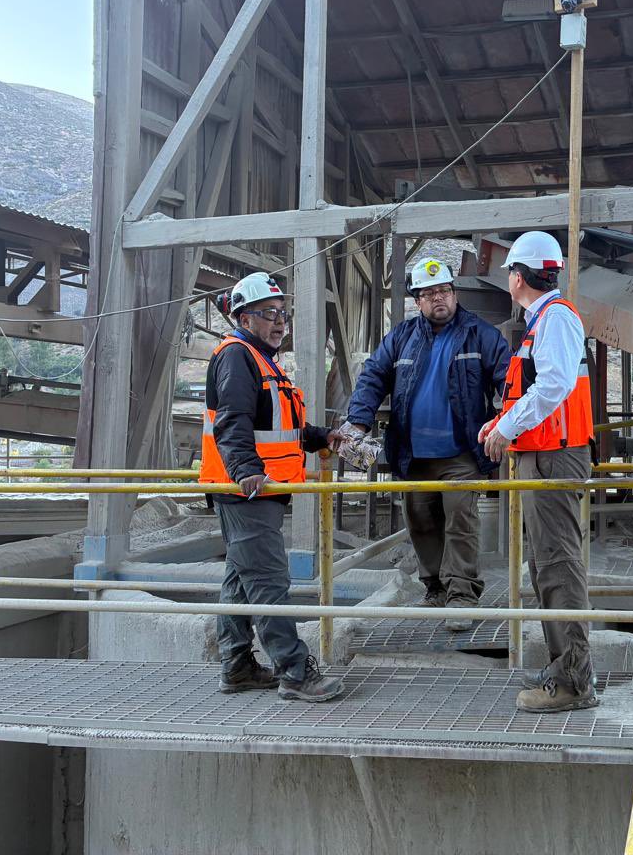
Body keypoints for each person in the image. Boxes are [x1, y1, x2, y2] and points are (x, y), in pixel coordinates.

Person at [199, 272, 347, 703]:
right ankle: (296, 672)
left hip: (258, 487)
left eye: (283, 314)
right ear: (244, 318)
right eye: (268, 314)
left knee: (241, 580)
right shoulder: (237, 357)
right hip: (247, 488)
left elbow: (280, 429)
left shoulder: (262, 361)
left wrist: (322, 437)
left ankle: (238, 665)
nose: (279, 322)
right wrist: (246, 469)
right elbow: (232, 419)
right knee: (267, 579)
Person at [340, 259, 510, 632]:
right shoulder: (401, 338)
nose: (439, 299)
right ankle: (435, 586)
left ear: (455, 294)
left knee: (460, 521)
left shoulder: (480, 334)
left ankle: (462, 594)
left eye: (445, 291)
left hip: (462, 452)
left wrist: (509, 422)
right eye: (430, 293)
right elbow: (373, 376)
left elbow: (507, 377)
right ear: (417, 300)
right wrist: (357, 421)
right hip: (414, 454)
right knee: (420, 521)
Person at [479, 232, 596, 714]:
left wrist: (506, 427)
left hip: (555, 458)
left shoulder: (556, 319)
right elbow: (537, 392)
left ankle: (573, 680)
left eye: (510, 272)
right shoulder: (543, 322)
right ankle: (561, 667)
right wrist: (501, 422)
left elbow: (554, 386)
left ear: (518, 277)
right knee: (545, 565)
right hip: (544, 454)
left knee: (557, 565)